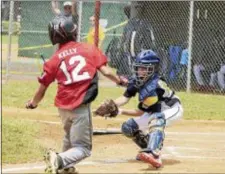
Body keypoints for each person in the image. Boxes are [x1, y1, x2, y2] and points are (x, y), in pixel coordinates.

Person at [26, 16, 127, 174]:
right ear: (73, 31)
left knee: (69, 135)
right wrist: (120, 81)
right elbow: (106, 71)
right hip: (80, 106)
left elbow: (42, 88)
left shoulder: (53, 60)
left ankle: (64, 168)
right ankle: (59, 160)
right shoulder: (88, 49)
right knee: (83, 148)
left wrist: (33, 103)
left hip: (63, 108)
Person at [97, 50, 183, 168]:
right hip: (155, 111)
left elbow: (140, 112)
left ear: (153, 68)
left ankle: (154, 154)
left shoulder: (154, 86)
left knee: (156, 119)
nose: (140, 71)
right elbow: (125, 97)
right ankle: (148, 149)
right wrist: (112, 105)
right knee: (128, 127)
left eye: (144, 68)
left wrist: (120, 111)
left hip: (171, 109)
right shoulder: (139, 80)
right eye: (139, 68)